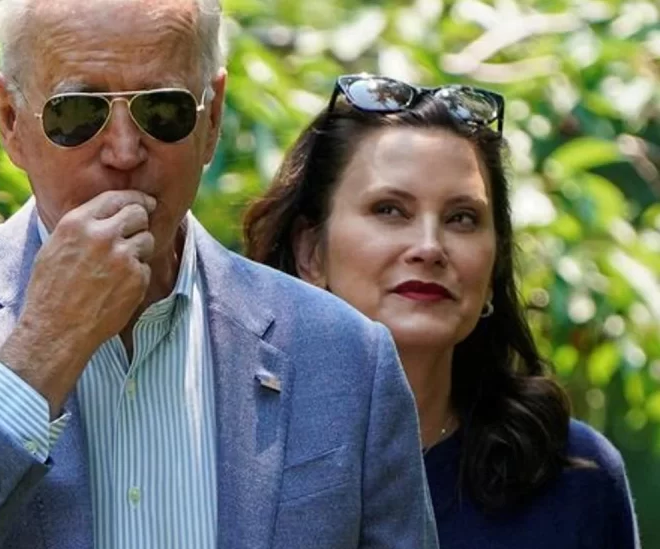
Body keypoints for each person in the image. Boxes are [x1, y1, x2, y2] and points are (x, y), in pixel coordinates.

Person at [0, 3, 439, 548]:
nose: (123, 150)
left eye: (163, 110)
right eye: (77, 112)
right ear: (11, 121)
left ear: (211, 119)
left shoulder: (346, 355)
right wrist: (42, 352)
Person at [244, 74, 641, 548]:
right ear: (311, 252)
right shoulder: (237, 456)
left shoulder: (574, 477)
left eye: (462, 219)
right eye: (390, 210)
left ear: (494, 265)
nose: (430, 248)